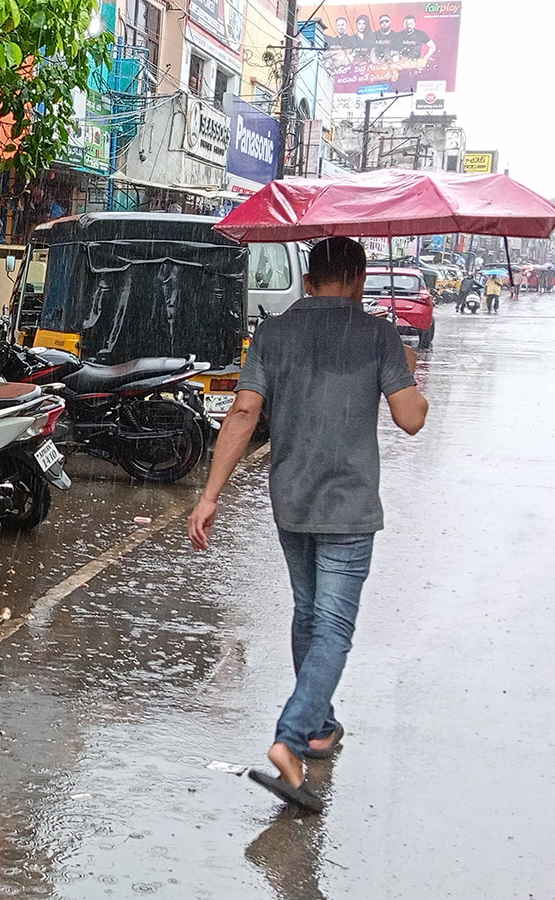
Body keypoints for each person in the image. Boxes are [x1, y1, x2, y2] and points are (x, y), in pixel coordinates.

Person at [187, 237, 428, 812]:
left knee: (308, 612)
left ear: (313, 276)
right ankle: (292, 739)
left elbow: (244, 411)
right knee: (334, 628)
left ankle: (318, 724)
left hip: (290, 501)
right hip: (348, 507)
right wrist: (408, 372)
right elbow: (411, 419)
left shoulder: (273, 334)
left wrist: (210, 495)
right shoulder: (379, 335)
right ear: (356, 277)